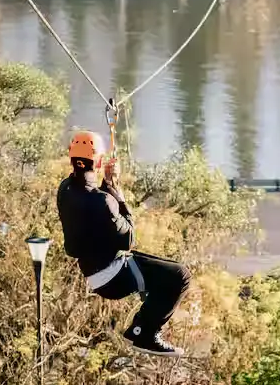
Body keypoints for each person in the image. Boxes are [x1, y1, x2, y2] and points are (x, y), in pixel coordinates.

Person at [57, 132, 190, 356]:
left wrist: (107, 185)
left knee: (164, 269)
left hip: (96, 274)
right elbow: (129, 239)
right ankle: (144, 333)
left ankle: (140, 326)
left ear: (72, 160)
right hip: (115, 276)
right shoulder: (103, 200)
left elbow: (94, 206)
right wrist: (120, 197)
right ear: (98, 161)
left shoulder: (65, 189)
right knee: (181, 275)